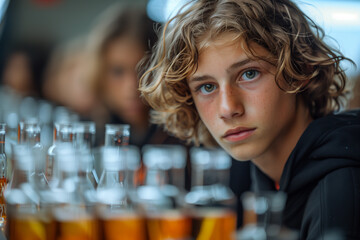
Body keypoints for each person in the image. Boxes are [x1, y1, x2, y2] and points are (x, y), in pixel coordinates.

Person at [139, 0, 360, 239]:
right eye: (207, 86)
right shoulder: (267, 181)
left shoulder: (342, 190)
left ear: (301, 69)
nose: (228, 108)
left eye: (249, 74)